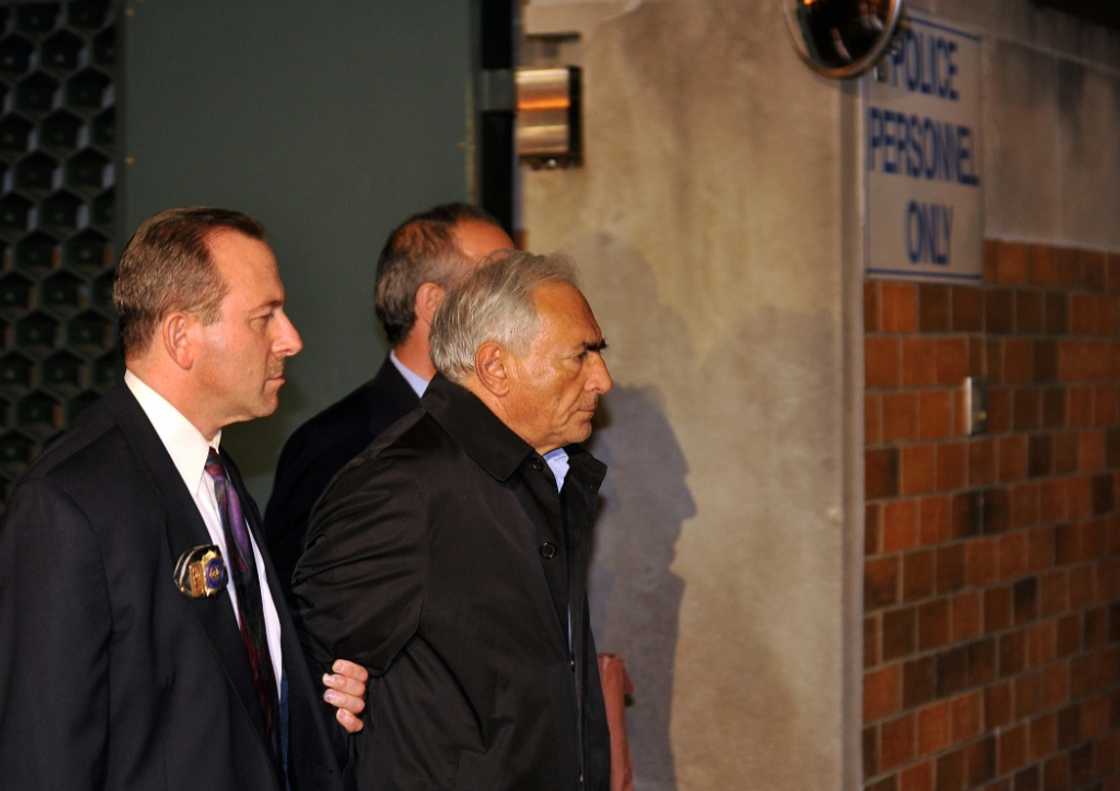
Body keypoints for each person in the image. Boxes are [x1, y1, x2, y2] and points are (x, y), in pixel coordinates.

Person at [0, 207, 366, 791]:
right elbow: (45, 757)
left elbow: (214, 694)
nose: (291, 339)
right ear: (181, 337)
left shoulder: (216, 475)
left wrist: (308, 697)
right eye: (264, 317)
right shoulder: (66, 505)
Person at [293, 252, 614, 790]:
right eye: (580, 356)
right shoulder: (401, 485)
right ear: (495, 367)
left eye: (599, 353)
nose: (602, 379)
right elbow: (309, 689)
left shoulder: (548, 473)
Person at [264, 203, 513, 602]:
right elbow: (294, 613)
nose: (522, 302)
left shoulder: (514, 430)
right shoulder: (335, 448)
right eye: (500, 279)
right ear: (433, 304)